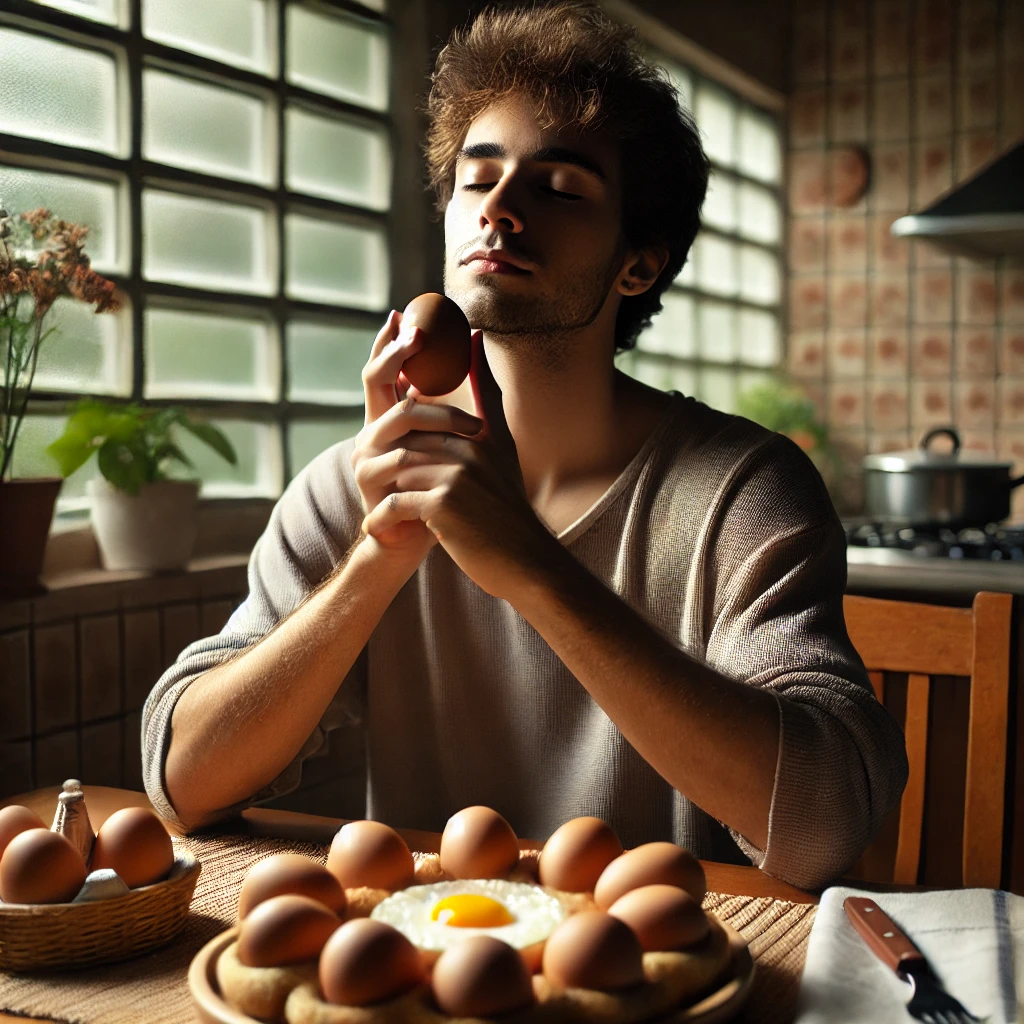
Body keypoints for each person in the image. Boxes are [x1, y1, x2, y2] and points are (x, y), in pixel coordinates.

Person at [142, 0, 907, 890]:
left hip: (653, 977)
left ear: (638, 264)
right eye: (477, 178)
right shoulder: (352, 488)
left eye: (559, 187)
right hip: (420, 971)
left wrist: (529, 565)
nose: (498, 208)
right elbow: (180, 786)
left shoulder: (742, 492)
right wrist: (378, 557)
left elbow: (825, 826)